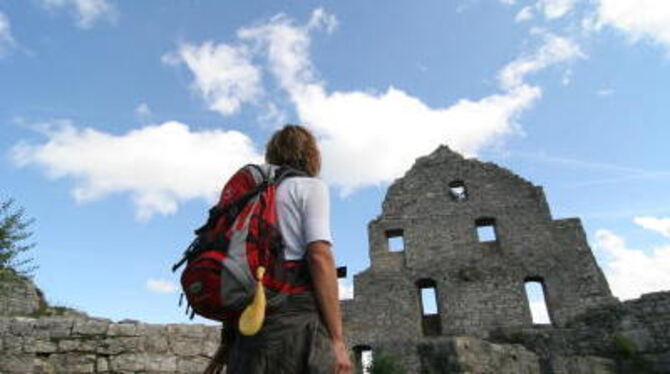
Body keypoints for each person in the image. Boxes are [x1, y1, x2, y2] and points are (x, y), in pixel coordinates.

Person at [224, 125, 352, 374]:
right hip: (296, 319)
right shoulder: (310, 187)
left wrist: (227, 340)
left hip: (248, 322)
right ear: (311, 154)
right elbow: (319, 256)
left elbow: (234, 264)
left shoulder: (251, 194)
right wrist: (337, 341)